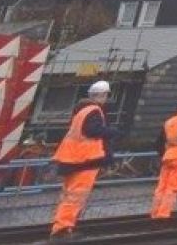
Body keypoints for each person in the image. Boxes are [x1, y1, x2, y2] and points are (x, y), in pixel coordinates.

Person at [50, 80, 115, 237]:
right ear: (101, 95)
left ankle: (62, 225)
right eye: (106, 95)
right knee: (76, 195)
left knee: (69, 194)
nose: (106, 98)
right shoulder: (94, 110)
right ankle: (62, 229)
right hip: (86, 160)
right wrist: (112, 132)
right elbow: (93, 131)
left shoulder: (81, 110)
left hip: (72, 159)